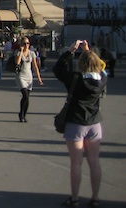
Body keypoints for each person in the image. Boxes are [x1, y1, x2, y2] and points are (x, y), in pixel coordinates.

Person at [53, 40, 106, 208]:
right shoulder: (102, 79)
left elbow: (58, 69)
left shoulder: (75, 78)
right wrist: (89, 51)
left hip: (76, 122)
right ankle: (95, 197)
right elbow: (102, 67)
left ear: (80, 63)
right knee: (94, 161)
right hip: (94, 122)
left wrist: (71, 50)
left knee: (76, 162)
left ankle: (74, 198)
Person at [14, 36, 44, 122]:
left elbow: (35, 67)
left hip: (29, 76)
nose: (26, 45)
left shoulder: (32, 53)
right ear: (21, 44)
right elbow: (17, 62)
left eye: (28, 43)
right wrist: (21, 51)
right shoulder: (17, 52)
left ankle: (23, 114)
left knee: (27, 97)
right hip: (20, 76)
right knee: (25, 95)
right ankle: (21, 114)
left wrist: (39, 78)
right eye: (24, 43)